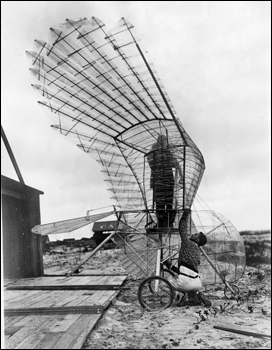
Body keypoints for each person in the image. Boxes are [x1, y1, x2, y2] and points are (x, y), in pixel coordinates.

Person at [163, 209, 212, 307]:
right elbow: (186, 270)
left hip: (185, 282)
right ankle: (196, 297)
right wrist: (170, 266)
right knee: (185, 281)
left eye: (195, 234)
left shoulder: (188, 243)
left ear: (197, 240)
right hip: (197, 283)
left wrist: (185, 215)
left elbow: (182, 229)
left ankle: (180, 295)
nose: (193, 234)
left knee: (164, 285)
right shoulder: (197, 252)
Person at [147, 134, 182, 228]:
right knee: (168, 203)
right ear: (162, 142)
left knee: (160, 204)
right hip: (166, 180)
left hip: (158, 181)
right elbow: (177, 165)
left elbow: (151, 163)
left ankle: (162, 223)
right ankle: (167, 223)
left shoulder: (152, 153)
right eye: (165, 142)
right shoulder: (166, 153)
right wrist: (181, 178)